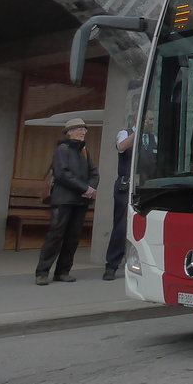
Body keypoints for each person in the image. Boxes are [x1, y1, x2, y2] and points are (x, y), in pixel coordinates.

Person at [35, 117, 99, 285]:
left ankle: (63, 271)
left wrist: (91, 188)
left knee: (73, 237)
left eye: (84, 129)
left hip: (80, 201)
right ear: (69, 132)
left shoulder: (84, 150)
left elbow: (94, 172)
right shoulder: (62, 149)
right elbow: (62, 174)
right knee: (55, 235)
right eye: (79, 129)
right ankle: (42, 272)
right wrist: (85, 189)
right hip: (63, 200)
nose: (83, 132)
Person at [102, 119, 135, 281]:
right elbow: (121, 147)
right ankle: (111, 266)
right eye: (148, 119)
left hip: (146, 184)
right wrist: (138, 133)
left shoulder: (154, 137)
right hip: (126, 184)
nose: (150, 122)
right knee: (121, 226)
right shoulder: (125, 133)